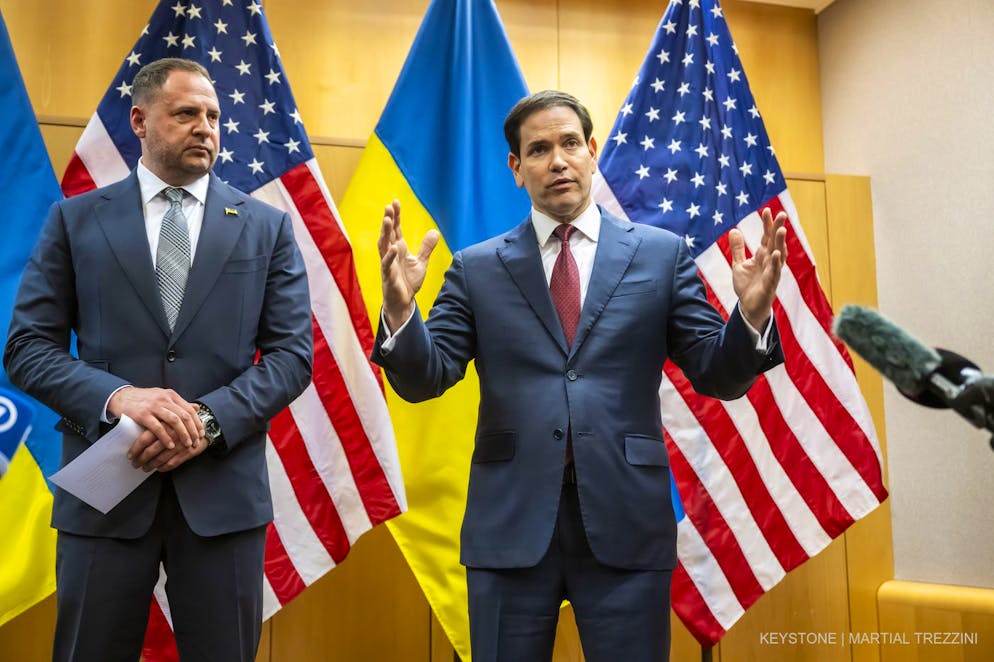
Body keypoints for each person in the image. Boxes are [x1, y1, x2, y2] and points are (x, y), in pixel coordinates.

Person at [372, 90, 787, 662]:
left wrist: (751, 315)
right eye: (538, 150)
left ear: (592, 152)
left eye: (570, 143)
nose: (558, 160)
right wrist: (400, 313)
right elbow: (426, 378)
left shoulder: (660, 257)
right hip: (510, 524)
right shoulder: (477, 267)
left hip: (626, 520)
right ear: (516, 170)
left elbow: (718, 374)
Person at [4, 58, 313, 661]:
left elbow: (291, 357)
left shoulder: (267, 228)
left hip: (222, 498)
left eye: (214, 116)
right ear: (140, 121)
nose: (206, 127)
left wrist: (206, 420)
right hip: (105, 495)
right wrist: (118, 397)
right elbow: (27, 348)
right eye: (186, 113)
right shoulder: (74, 220)